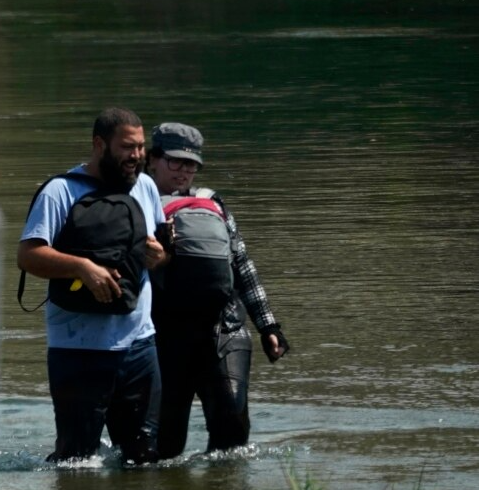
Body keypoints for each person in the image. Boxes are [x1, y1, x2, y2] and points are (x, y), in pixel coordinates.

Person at [16, 108, 170, 465]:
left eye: (141, 147)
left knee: (143, 458)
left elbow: (162, 257)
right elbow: (28, 255)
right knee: (76, 461)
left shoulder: (145, 186)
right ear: (99, 145)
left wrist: (159, 256)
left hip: (139, 347)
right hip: (77, 350)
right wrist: (82, 268)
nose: (136, 156)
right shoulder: (60, 191)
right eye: (127, 148)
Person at [145, 122, 290, 458]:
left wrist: (268, 326)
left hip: (224, 329)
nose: (184, 172)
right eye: (175, 162)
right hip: (163, 338)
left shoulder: (214, 204)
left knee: (232, 440)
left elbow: (242, 265)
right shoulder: (133, 203)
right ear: (153, 159)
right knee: (162, 449)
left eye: (191, 164)